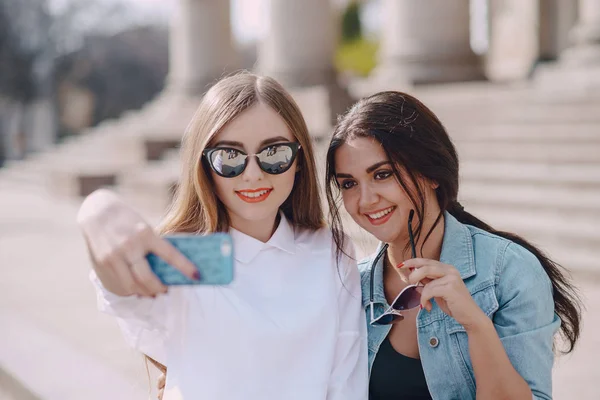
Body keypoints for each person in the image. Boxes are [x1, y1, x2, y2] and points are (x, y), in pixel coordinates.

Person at [77, 73, 368, 400]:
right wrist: (95, 209)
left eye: (274, 153)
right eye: (230, 157)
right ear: (204, 165)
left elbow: (347, 384)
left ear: (299, 160)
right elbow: (121, 292)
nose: (253, 174)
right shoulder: (184, 257)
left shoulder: (331, 250)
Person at [323, 91, 582, 400]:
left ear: (431, 173)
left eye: (383, 174)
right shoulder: (352, 287)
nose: (365, 200)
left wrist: (475, 324)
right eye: (348, 184)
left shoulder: (510, 272)